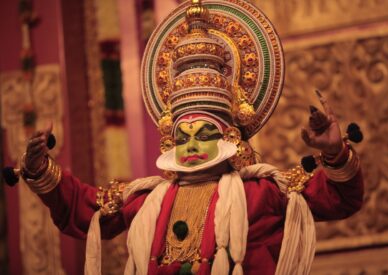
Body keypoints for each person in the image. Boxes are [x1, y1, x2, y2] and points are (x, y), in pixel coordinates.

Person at [19, 1, 363, 274]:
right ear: (170, 141)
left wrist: (334, 152)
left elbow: (338, 199)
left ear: (230, 136)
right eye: (183, 137)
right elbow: (83, 209)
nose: (193, 145)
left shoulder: (261, 193)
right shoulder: (146, 200)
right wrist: (41, 171)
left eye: (204, 133)